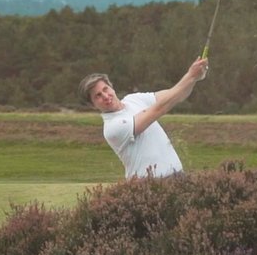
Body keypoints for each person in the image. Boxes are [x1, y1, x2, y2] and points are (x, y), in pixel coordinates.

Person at [79, 57, 209, 179]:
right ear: (93, 105)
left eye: (105, 89)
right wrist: (190, 75)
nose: (106, 96)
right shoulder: (112, 127)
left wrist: (194, 79)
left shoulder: (134, 99)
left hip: (178, 176)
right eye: (98, 96)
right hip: (149, 186)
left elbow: (175, 96)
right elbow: (158, 109)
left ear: (111, 87)